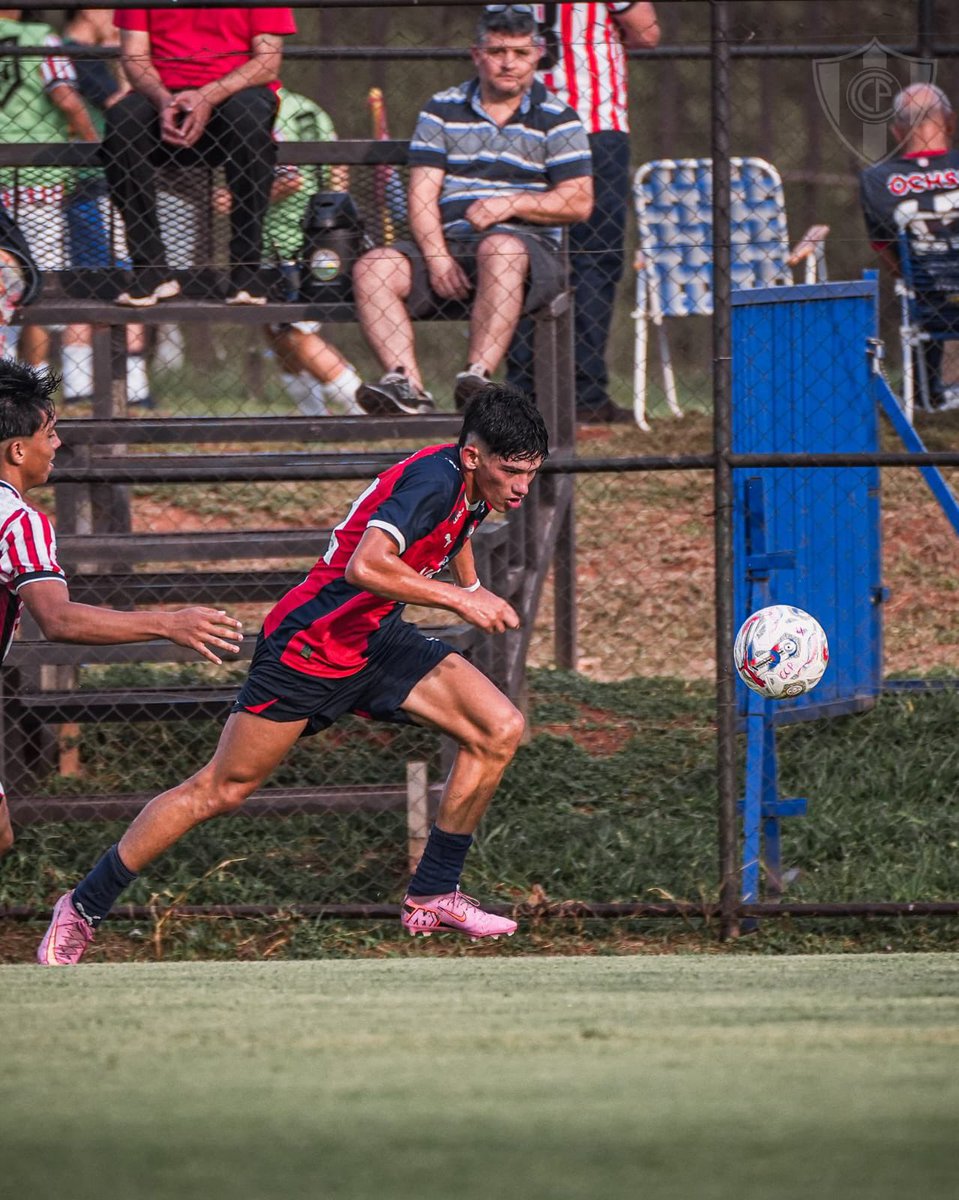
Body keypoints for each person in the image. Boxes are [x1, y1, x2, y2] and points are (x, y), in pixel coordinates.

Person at [37, 383, 546, 963]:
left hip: (374, 637)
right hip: (308, 646)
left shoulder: (477, 483)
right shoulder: (434, 481)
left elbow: (459, 527)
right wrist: (461, 603)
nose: (523, 488)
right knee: (220, 790)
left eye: (532, 473)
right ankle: (82, 905)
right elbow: (366, 565)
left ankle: (433, 893)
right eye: (513, 472)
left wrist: (472, 584)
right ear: (475, 456)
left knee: (498, 728)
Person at [0, 358, 243, 857]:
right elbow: (59, 619)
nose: (58, 445)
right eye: (51, 432)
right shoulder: (19, 522)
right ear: (18, 449)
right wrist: (167, 623)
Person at [353, 5, 592, 415]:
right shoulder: (441, 109)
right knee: (372, 267)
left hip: (526, 253)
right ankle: (405, 385)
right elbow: (422, 194)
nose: (508, 63)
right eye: (497, 51)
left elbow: (579, 200)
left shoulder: (559, 118)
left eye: (519, 53)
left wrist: (511, 203)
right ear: (476, 53)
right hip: (447, 248)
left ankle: (477, 378)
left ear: (537, 54)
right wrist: (437, 256)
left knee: (500, 248)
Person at [506, 2, 660, 424]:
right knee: (594, 260)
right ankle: (584, 394)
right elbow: (646, 32)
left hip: (524, 124)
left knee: (519, 256)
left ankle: (523, 389)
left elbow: (496, 34)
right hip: (593, 121)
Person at [103, 6, 296, 308]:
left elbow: (268, 63)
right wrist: (164, 99)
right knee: (121, 122)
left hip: (235, 91)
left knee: (247, 118)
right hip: (163, 95)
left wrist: (208, 95)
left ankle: (246, 268)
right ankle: (151, 267)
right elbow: (134, 57)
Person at [0, 10, 101, 402]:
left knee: (7, 283)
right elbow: (65, 97)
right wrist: (95, 149)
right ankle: (32, 385)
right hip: (38, 178)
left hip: (5, 178)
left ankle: (11, 374)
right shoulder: (41, 37)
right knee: (34, 284)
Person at [61, 7, 153, 408]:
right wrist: (126, 57)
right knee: (94, 280)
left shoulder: (92, 55)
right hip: (90, 185)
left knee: (126, 277)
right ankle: (81, 384)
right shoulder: (75, 55)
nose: (115, 18)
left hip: (110, 183)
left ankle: (133, 386)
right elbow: (121, 99)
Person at [255, 85, 363, 416]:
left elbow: (294, 179)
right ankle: (314, 418)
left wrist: (235, 198)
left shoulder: (290, 110)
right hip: (266, 243)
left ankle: (366, 408)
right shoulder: (299, 107)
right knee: (275, 331)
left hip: (299, 243)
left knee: (295, 332)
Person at [860, 82, 959, 412]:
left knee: (919, 285)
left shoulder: (877, 180)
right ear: (950, 121)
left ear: (896, 130)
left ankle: (923, 394)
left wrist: (916, 280)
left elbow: (887, 250)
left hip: (928, 301)